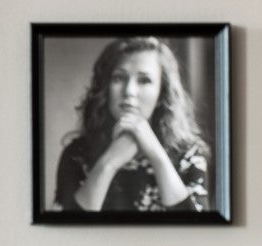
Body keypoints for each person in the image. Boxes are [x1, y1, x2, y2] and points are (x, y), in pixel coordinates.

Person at [54, 37, 210, 214]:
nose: (129, 91)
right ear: (105, 88)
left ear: (162, 94)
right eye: (119, 78)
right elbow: (67, 236)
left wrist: (156, 154)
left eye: (144, 80)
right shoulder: (76, 155)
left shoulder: (190, 155)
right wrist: (109, 163)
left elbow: (198, 234)